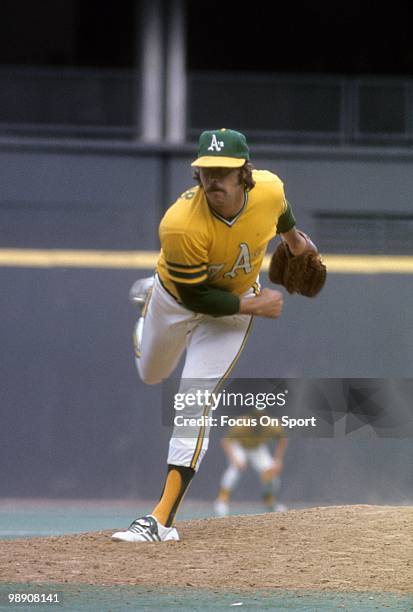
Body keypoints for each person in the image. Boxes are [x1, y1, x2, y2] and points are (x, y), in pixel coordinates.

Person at [112, 128, 314, 543]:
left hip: (231, 311)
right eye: (205, 171)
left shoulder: (270, 188)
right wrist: (252, 306)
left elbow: (281, 211)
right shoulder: (180, 224)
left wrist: (294, 241)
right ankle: (146, 311)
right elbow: (196, 296)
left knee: (193, 400)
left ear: (245, 173)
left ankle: (159, 521)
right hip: (178, 300)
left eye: (222, 171)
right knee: (151, 373)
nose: (213, 180)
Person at [214, 410, 288, 517]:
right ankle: (221, 501)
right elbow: (226, 441)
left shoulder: (271, 424)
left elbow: (282, 439)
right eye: (255, 418)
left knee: (271, 474)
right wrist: (235, 460)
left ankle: (270, 502)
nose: (258, 421)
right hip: (240, 446)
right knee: (233, 471)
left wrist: (278, 460)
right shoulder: (241, 423)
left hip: (257, 449)